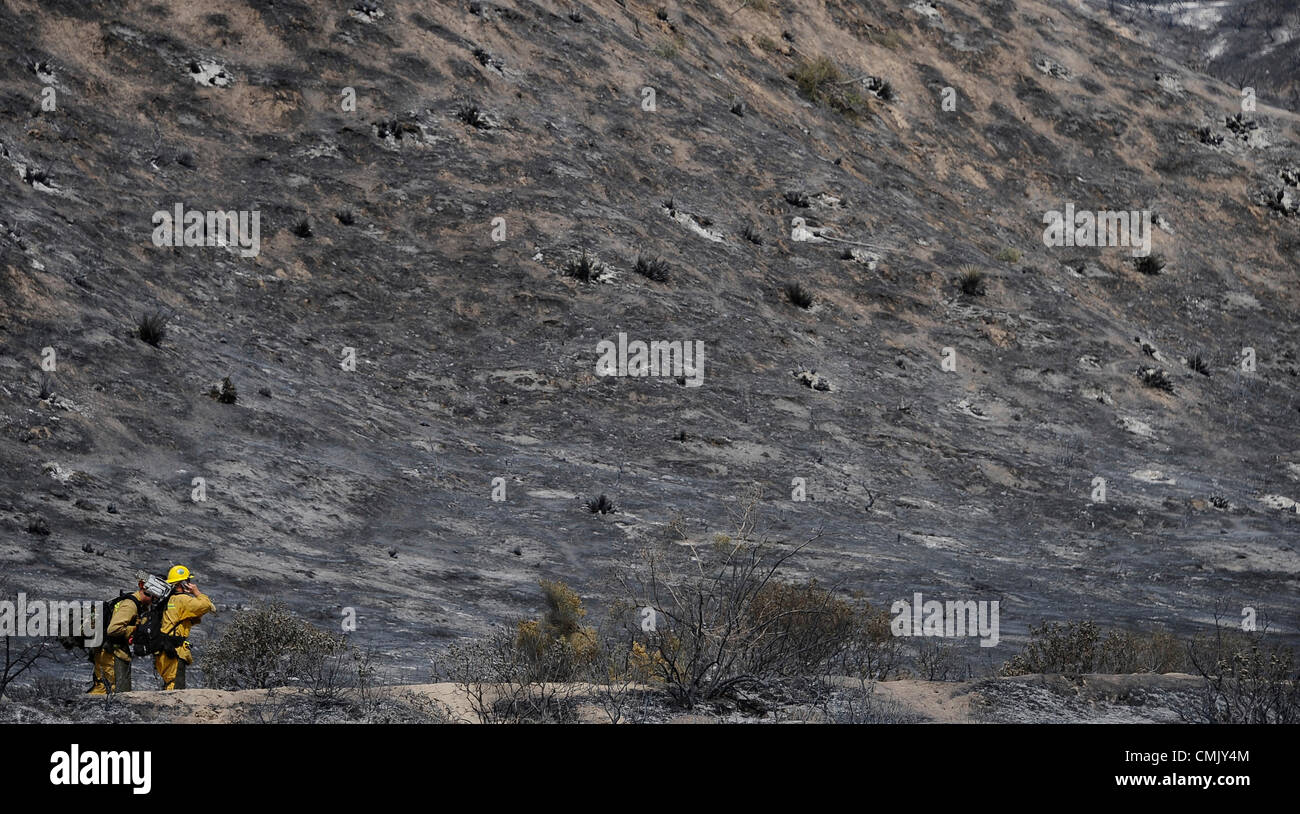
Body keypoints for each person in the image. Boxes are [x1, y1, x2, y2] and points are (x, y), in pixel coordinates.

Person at [88, 575, 153, 695]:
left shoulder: (132, 602)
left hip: (108, 650)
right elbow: (113, 629)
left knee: (103, 687)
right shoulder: (130, 605)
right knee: (110, 689)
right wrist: (136, 629)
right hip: (111, 653)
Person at [153, 565, 215, 690]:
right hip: (174, 651)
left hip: (162, 650)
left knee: (168, 683)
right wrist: (196, 592)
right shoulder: (182, 599)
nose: (190, 583)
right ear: (183, 583)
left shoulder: (168, 600)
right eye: (188, 581)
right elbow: (206, 606)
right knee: (175, 687)